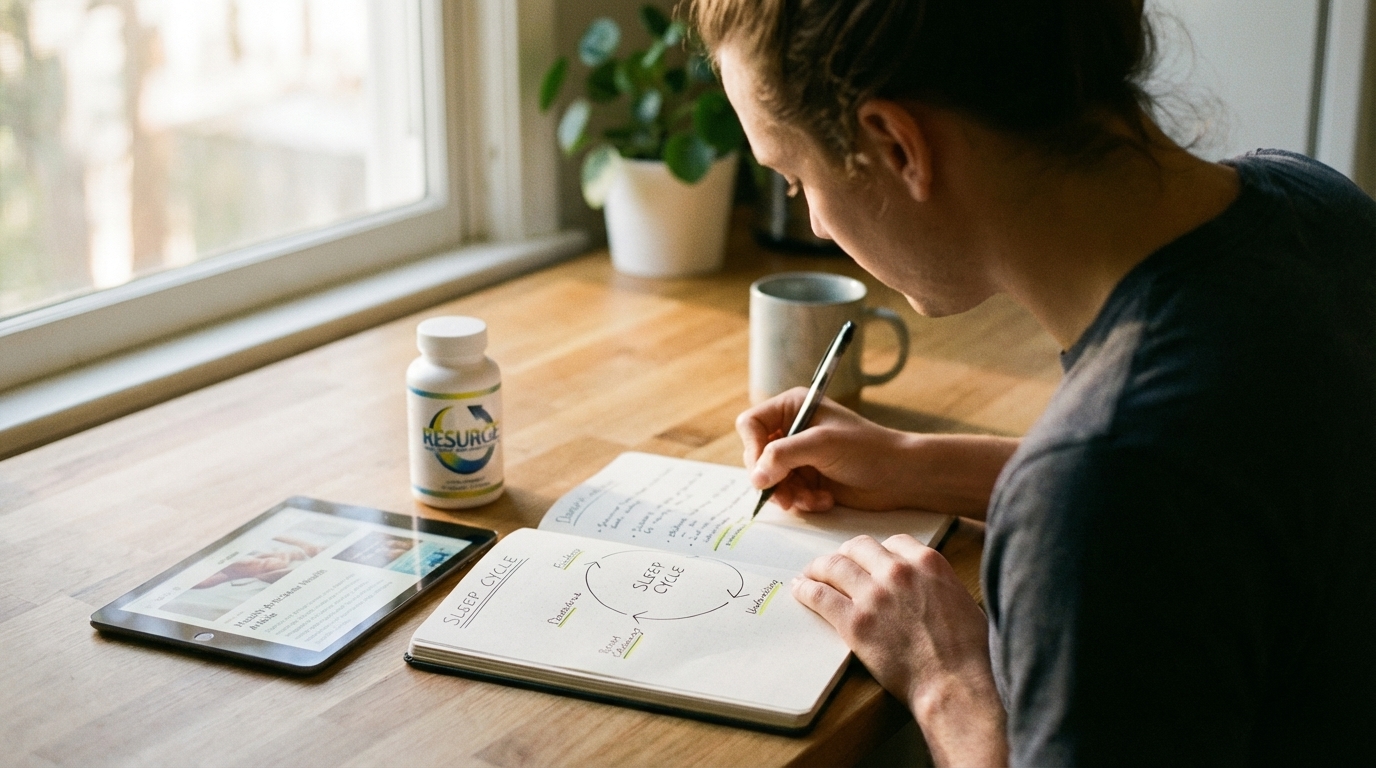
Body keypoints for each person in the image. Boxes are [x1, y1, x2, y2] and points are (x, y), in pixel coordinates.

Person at [691, 0, 1376, 764]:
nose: (813, 222)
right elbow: (1222, 482)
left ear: (896, 145)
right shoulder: (1321, 209)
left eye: (793, 175)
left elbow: (1127, 491)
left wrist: (946, 681)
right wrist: (917, 463)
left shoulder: (1102, 487)